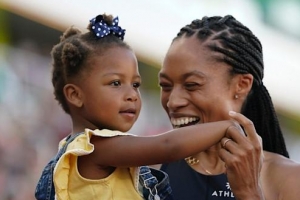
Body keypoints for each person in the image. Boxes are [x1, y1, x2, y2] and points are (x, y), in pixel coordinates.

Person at [34, 14, 257, 200]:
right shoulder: (94, 147)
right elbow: (169, 145)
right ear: (75, 95)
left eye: (135, 84)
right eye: (115, 83)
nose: (131, 95)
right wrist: (225, 125)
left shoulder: (96, 151)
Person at [159, 15, 300, 200]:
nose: (173, 101)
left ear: (241, 85)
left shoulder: (288, 180)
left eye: (192, 85)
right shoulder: (150, 169)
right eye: (166, 86)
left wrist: (248, 192)